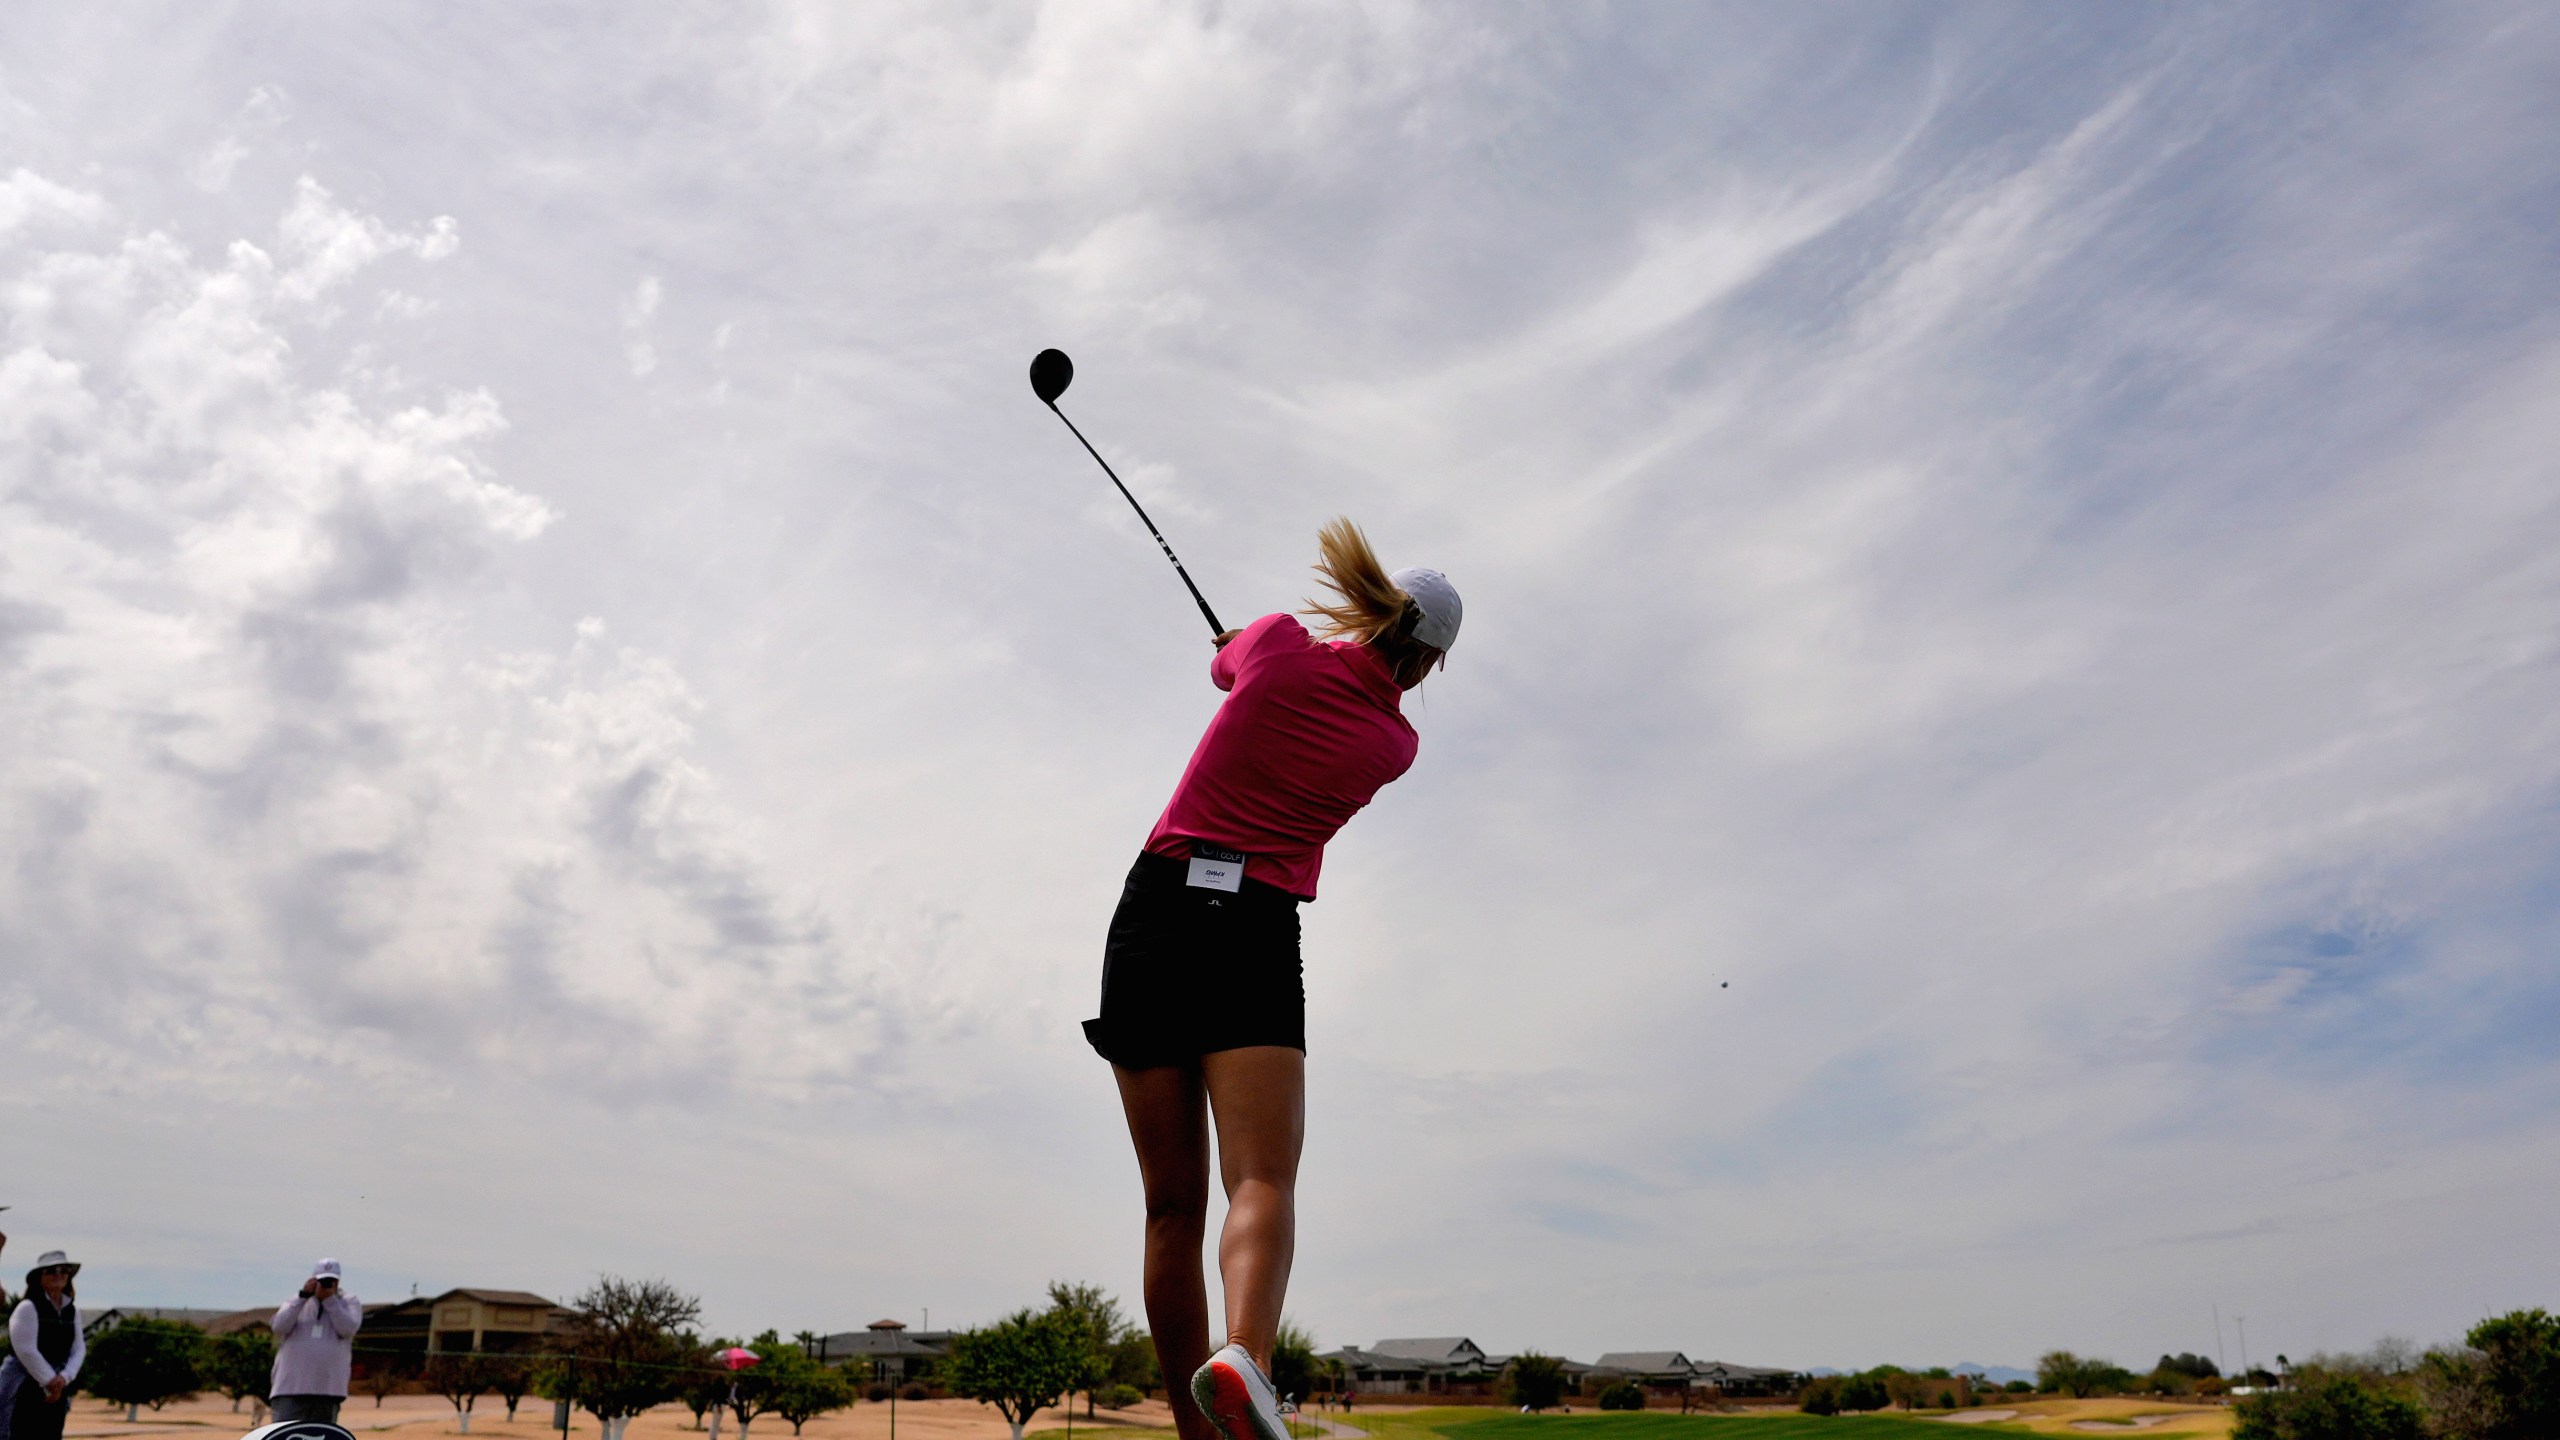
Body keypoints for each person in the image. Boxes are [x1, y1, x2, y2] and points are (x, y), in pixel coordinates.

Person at [1083, 519, 1460, 1440]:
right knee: (1261, 1179)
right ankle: (1242, 1357)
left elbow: (1230, 670)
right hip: (1251, 928)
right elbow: (1324, 692)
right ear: (1426, 667)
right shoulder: (1393, 747)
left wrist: (1239, 648)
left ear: (1370, 612)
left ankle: (1193, 1424)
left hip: (1153, 915)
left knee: (1170, 1204)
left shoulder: (1280, 647)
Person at [1, 1251, 84, 1440]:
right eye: (51, 1271)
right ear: (40, 1277)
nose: (58, 1274)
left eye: (64, 1271)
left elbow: (79, 1349)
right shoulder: (28, 1307)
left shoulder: (73, 1310)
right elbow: (26, 1350)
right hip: (25, 1383)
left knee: (51, 1432)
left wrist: (63, 1378)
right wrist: (49, 1381)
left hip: (57, 1383)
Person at [269, 1260, 362, 1425]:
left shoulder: (348, 1302)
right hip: (291, 1388)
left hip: (328, 1389)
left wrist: (330, 1301)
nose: (326, 1285)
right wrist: (302, 1297)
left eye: (330, 1281)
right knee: (285, 1434)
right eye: (322, 1280)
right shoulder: (295, 1301)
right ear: (313, 1279)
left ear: (338, 1282)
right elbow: (278, 1327)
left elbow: (348, 1329)